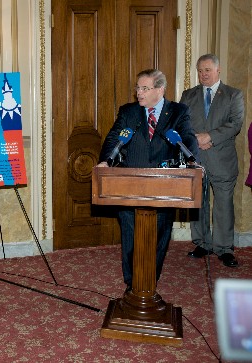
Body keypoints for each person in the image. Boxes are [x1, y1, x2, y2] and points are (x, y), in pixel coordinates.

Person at [98, 69, 199, 290]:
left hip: (164, 186)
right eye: (138, 88)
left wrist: (192, 159)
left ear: (160, 89)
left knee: (159, 237)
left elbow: (188, 136)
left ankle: (149, 282)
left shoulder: (178, 112)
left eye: (145, 88)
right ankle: (132, 284)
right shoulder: (129, 112)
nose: (139, 93)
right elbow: (114, 137)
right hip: (128, 184)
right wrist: (106, 161)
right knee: (130, 236)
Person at [180, 54, 244, 268]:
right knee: (198, 202)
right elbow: (181, 122)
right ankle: (202, 243)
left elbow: (236, 123)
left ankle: (224, 249)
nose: (203, 74)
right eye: (200, 70)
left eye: (207, 70)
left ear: (218, 70)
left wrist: (210, 137)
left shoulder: (233, 95)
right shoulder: (188, 95)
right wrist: (196, 139)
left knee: (223, 205)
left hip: (222, 160)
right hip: (196, 158)